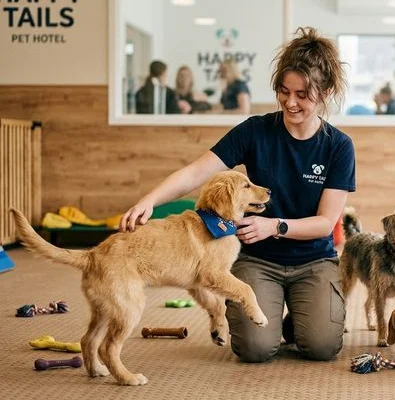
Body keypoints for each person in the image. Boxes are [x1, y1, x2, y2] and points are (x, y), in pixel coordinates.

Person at [120, 27, 354, 363]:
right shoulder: (254, 131)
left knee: (321, 346)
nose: (290, 102)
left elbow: (325, 222)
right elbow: (195, 173)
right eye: (283, 91)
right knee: (255, 348)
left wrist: (275, 226)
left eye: (303, 94)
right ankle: (274, 317)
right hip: (259, 259)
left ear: (326, 91)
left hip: (313, 260)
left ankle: (300, 320)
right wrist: (149, 201)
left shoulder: (338, 146)